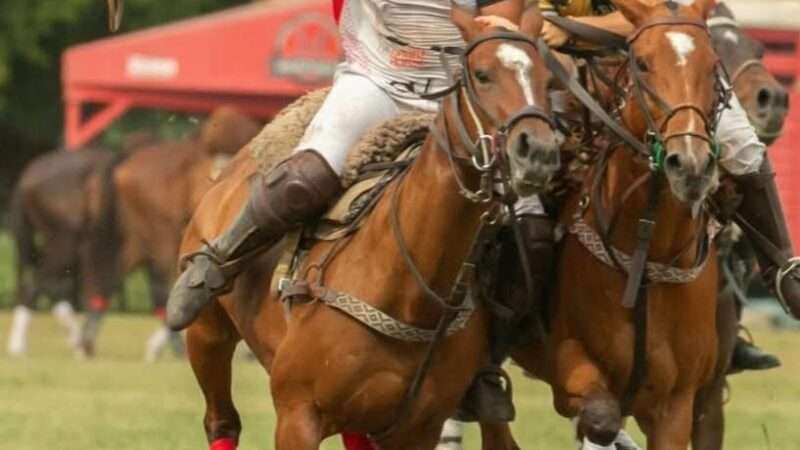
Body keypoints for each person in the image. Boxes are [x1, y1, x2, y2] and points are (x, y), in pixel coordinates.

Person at [167, 0, 552, 423]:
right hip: (375, 83)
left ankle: (486, 364)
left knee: (529, 226)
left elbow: (510, 16)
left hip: (459, 94)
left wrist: (503, 24)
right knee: (304, 179)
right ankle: (217, 261)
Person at [538, 0, 800, 371]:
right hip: (568, 68)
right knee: (527, 153)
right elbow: (531, 19)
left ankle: (781, 269)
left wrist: (572, 29)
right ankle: (504, 316)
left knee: (741, 146)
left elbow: (658, 14)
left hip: (667, 63)